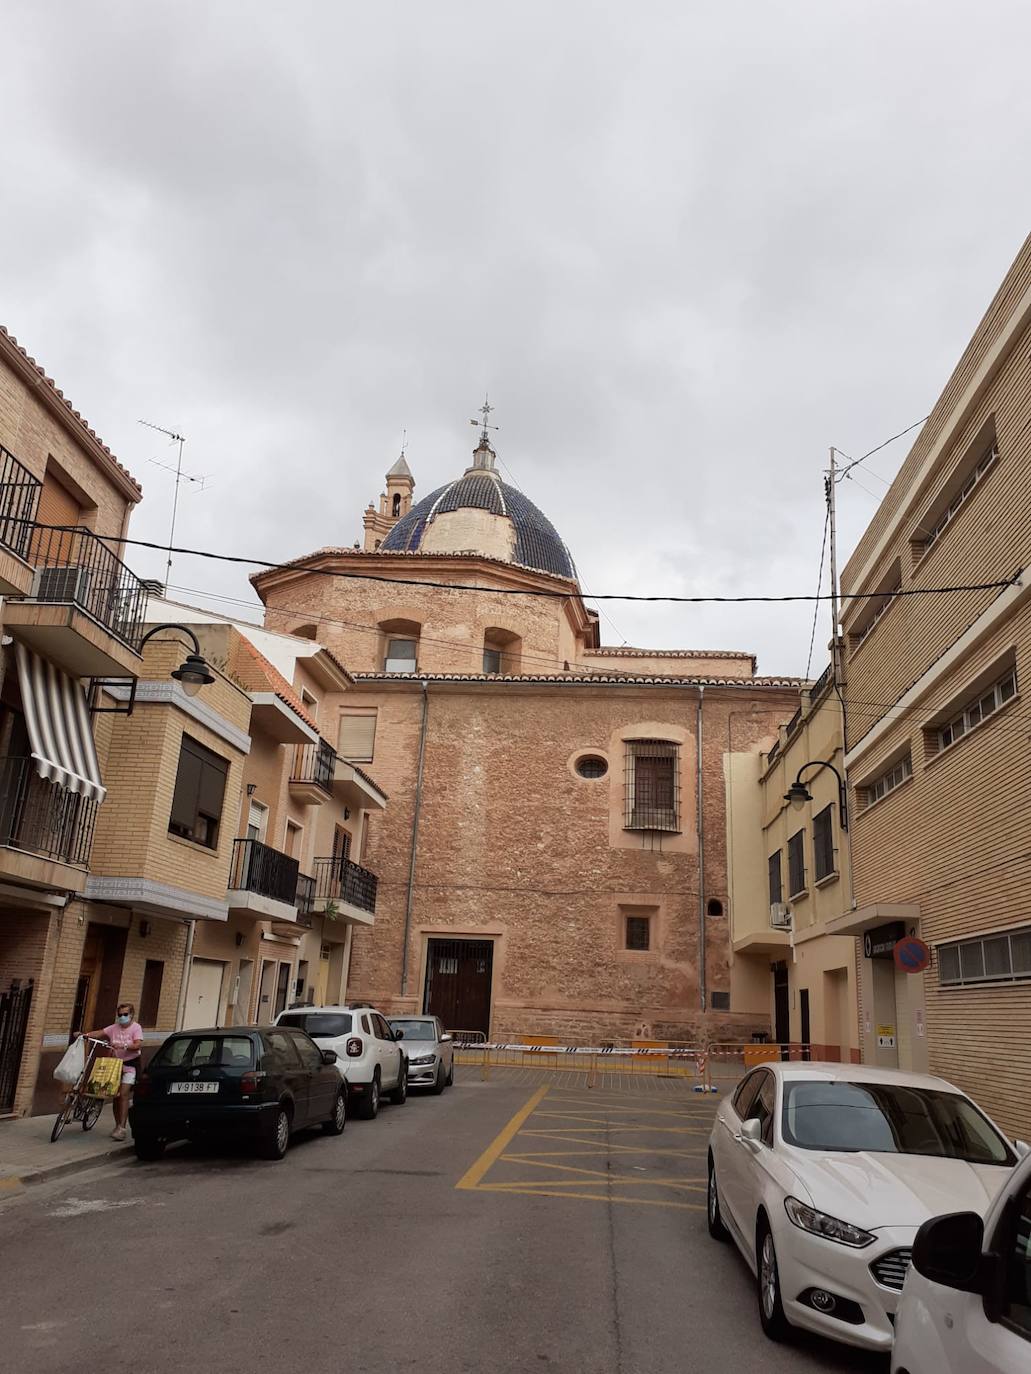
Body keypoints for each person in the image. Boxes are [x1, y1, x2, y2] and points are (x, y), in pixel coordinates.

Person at [84, 1003, 143, 1141]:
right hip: (115, 1066)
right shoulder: (113, 1028)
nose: (122, 1017)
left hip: (130, 1066)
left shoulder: (136, 1028)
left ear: (131, 1015)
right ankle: (117, 1125)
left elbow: (138, 1044)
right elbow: (100, 1032)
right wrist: (84, 1035)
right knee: (115, 1096)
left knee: (123, 1095)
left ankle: (122, 1128)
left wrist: (123, 1045)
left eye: (125, 1014)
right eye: (120, 1015)